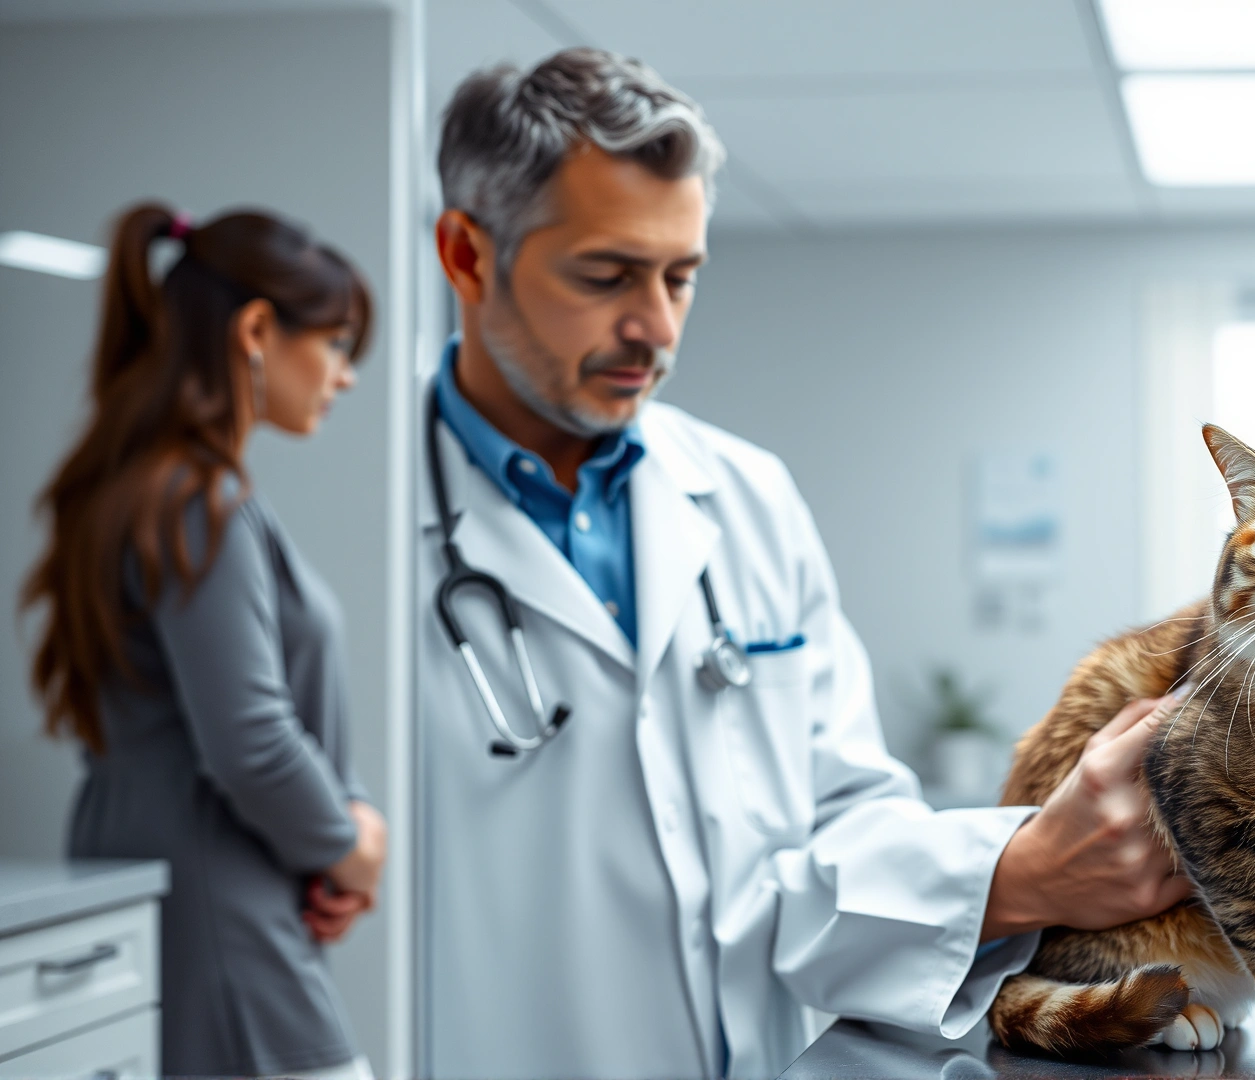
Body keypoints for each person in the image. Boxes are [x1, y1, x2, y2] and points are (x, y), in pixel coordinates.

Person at [417, 48, 1188, 1078]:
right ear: (468, 256)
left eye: (680, 276)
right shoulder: (358, 528)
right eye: (605, 276)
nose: (654, 327)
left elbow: (841, 828)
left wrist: (1018, 871)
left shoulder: (744, 499)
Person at [22, 202, 388, 1077]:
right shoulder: (200, 500)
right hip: (223, 907)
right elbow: (252, 741)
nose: (347, 377)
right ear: (258, 330)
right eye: (337, 345)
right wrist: (351, 846)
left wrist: (334, 835)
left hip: (177, 881)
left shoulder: (139, 491)